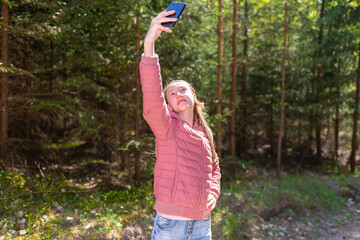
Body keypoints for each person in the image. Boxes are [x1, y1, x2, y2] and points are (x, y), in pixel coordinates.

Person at [139, 9, 221, 240]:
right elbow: (153, 96)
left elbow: (215, 168)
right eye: (171, 93)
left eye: (182, 89)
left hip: (203, 226)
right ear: (169, 105)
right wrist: (149, 45)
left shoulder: (204, 134)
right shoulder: (167, 127)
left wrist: (212, 196)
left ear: (193, 95)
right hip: (171, 226)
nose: (177, 94)